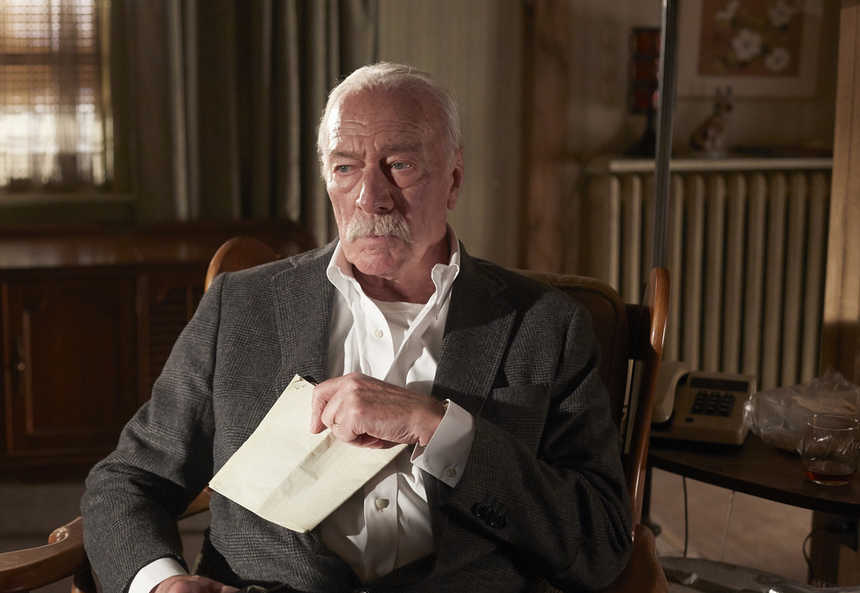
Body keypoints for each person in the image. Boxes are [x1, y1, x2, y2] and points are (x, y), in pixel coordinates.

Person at [82, 62, 632, 593]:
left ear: (454, 179)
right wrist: (160, 582)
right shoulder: (242, 307)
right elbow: (128, 481)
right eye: (346, 167)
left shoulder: (547, 325)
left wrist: (437, 427)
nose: (371, 197)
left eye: (400, 165)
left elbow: (600, 542)